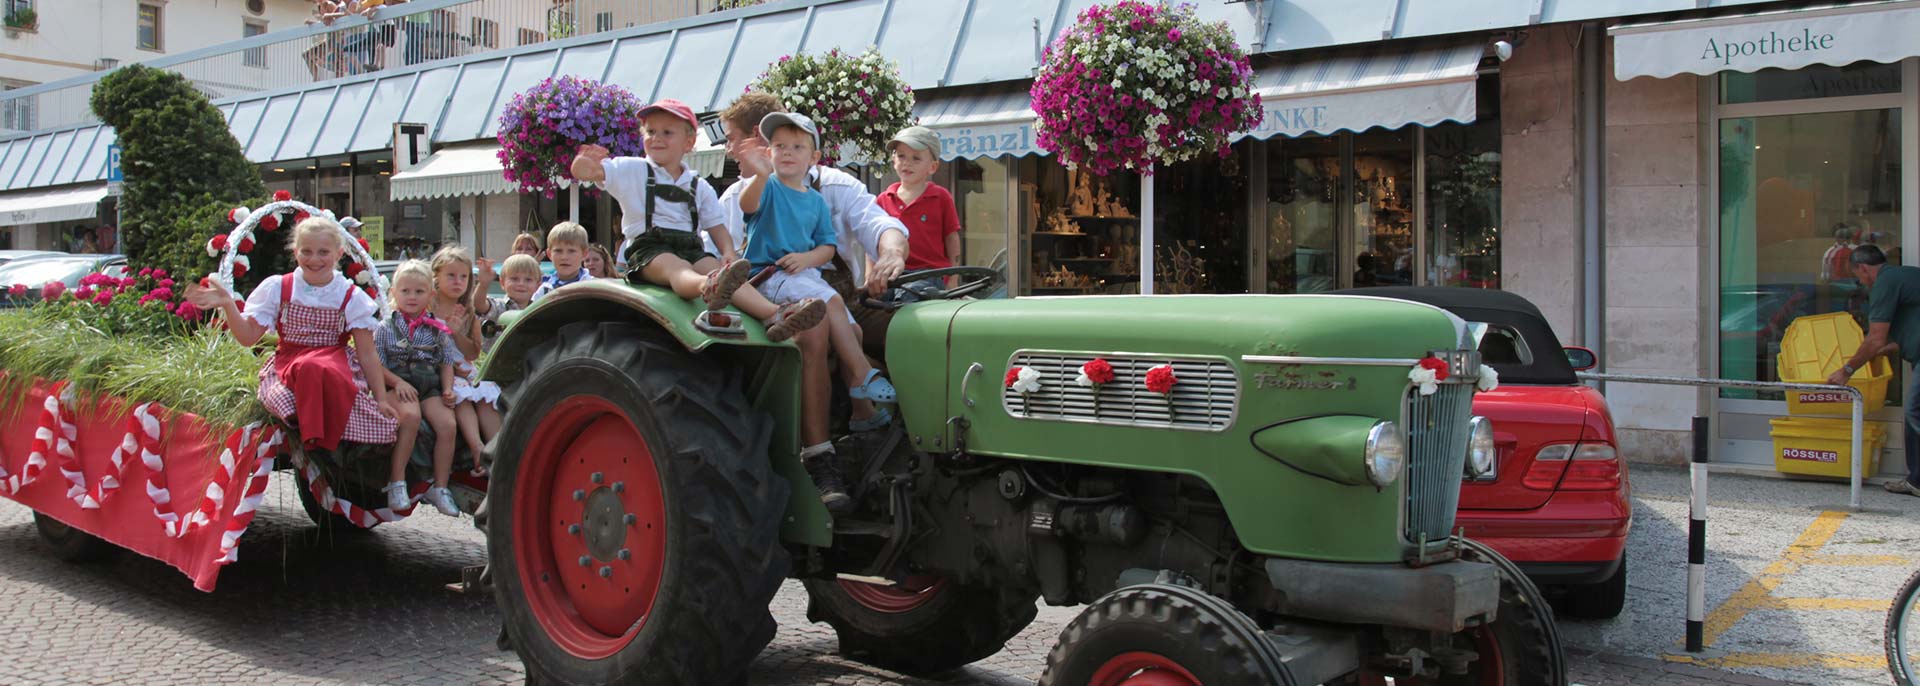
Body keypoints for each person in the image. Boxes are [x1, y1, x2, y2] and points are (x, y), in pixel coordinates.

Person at [714, 91, 911, 447]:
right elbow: (716, 267)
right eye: (781, 145)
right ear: (768, 146)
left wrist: (892, 254)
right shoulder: (744, 194)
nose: (728, 150)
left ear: (755, 142)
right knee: (814, 328)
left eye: (731, 139)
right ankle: (820, 453)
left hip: (826, 289)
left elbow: (879, 226)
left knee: (908, 328)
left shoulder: (830, 189)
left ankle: (872, 413)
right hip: (767, 299)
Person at [738, 112, 896, 511]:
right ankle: (855, 395)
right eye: (779, 146)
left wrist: (808, 257)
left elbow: (826, 246)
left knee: (852, 326)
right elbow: (747, 204)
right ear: (768, 152)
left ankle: (860, 411)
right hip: (769, 276)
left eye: (797, 147)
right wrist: (757, 175)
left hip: (803, 274)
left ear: (815, 156)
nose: (787, 153)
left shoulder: (816, 200)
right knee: (824, 318)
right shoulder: (768, 188)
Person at [570, 97, 824, 340]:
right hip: (649, 249)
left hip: (690, 246)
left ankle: (774, 314)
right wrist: (584, 162)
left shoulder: (697, 185)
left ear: (689, 142)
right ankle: (707, 287)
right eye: (650, 132)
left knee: (717, 267)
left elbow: (716, 225)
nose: (656, 138)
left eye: (667, 133)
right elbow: (589, 172)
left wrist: (727, 252)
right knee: (675, 268)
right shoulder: (632, 169)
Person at [182, 217, 414, 470]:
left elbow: (367, 355)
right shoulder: (279, 288)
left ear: (338, 253)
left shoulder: (349, 296)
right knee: (310, 367)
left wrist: (380, 398)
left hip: (335, 365)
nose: (314, 260)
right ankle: (312, 435)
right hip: (289, 365)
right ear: (295, 252)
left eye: (323, 252)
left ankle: (328, 443)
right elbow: (248, 337)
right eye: (307, 251)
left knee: (320, 368)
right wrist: (228, 305)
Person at [1827, 245, 1920, 496]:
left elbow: (1875, 338)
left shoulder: (1884, 283)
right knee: (1913, 415)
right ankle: (1916, 480)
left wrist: (1847, 370)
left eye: (1858, 276)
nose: (1861, 282)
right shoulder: (1906, 276)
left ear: (1864, 268)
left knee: (1914, 411)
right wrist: (1889, 347)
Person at [373, 260, 462, 515]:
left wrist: (447, 388)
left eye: (419, 292)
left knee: (448, 424)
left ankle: (440, 487)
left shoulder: (437, 329)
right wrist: (397, 382)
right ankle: (397, 480)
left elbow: (446, 362)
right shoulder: (385, 328)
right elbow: (376, 365)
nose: (412, 297)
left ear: (430, 295)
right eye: (405, 291)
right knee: (410, 417)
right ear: (394, 293)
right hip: (398, 385)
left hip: (428, 387)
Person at [429, 246, 500, 476]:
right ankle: (477, 448)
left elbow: (472, 353)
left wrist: (457, 332)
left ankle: (498, 449)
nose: (458, 282)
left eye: (463, 276)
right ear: (436, 277)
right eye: (451, 275)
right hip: (436, 366)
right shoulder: (427, 306)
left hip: (462, 365)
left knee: (484, 393)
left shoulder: (468, 310)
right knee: (462, 394)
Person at [877, 126, 962, 272]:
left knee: (909, 294)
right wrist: (869, 277)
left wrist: (953, 278)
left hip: (930, 273)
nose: (907, 163)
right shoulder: (883, 199)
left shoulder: (941, 197)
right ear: (893, 160)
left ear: (932, 167)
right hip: (890, 272)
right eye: (901, 156)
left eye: (916, 158)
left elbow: (951, 239)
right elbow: (872, 240)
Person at [475, 253, 540, 344]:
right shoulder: (499, 306)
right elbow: (479, 305)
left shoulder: (538, 311)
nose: (521, 284)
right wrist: (483, 285)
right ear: (502, 283)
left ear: (537, 285)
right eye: (514, 279)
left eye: (528, 280)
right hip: (499, 357)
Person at [531, 222, 595, 300]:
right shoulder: (544, 290)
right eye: (558, 251)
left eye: (571, 251)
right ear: (549, 254)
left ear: (584, 254)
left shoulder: (594, 288)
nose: (564, 257)